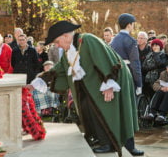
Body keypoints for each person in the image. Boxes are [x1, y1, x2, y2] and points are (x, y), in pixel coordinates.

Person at [28, 21, 139, 157]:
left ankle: (112, 144)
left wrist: (109, 83)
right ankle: (100, 139)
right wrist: (37, 82)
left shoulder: (87, 40)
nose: (57, 45)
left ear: (65, 36)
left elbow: (105, 58)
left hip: (112, 79)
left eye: (57, 41)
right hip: (93, 85)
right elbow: (59, 69)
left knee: (109, 110)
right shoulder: (70, 51)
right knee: (87, 107)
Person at [111, 13, 144, 156]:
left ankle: (114, 142)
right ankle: (130, 146)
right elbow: (135, 64)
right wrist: (139, 84)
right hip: (127, 78)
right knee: (129, 112)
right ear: (129, 25)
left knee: (117, 111)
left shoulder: (114, 40)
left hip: (115, 78)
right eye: (133, 24)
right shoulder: (130, 41)